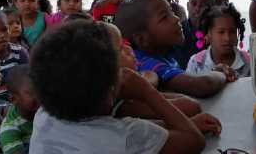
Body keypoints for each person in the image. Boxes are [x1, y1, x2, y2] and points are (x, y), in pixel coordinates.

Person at [29, 21, 206, 154]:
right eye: (120, 49)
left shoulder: (44, 116)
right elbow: (194, 140)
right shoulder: (124, 137)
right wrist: (147, 92)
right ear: (110, 92)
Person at [115, 0, 226, 99]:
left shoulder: (162, 54)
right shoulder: (147, 65)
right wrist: (219, 73)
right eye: (164, 17)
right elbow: (203, 85)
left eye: (171, 12)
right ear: (142, 39)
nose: (176, 19)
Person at [186, 3, 250, 80]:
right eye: (221, 32)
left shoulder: (249, 62)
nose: (227, 38)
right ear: (208, 34)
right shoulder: (196, 63)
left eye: (232, 32)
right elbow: (190, 90)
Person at [169, 0, 216, 69]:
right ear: (187, 6)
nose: (197, 8)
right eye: (193, 4)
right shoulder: (177, 30)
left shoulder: (215, 33)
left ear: (212, 9)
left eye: (203, 5)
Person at [0, 65, 38, 154]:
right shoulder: (9, 130)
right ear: (13, 99)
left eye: (41, 89)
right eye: (32, 92)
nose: (40, 96)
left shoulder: (46, 109)